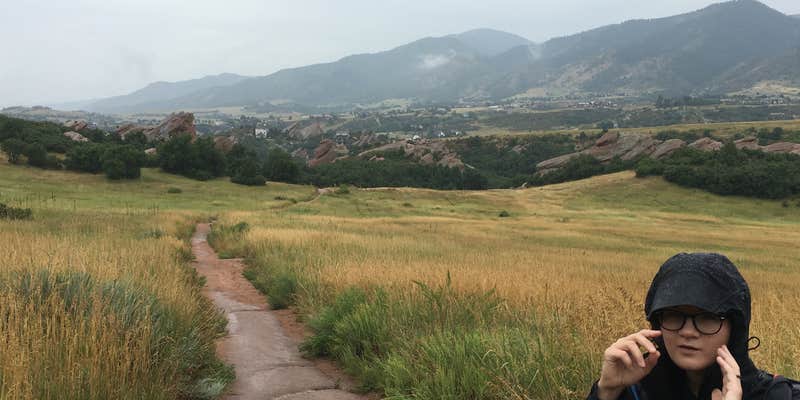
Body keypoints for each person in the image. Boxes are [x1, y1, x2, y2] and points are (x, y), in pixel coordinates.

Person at [587, 252, 792, 400]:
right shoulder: (636, 389)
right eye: (673, 315)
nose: (687, 331)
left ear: (735, 328)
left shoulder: (777, 395)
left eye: (707, 317)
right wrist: (606, 391)